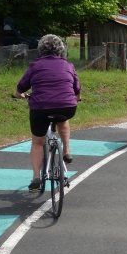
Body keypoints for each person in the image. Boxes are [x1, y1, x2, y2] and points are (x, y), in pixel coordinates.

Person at [13, 34, 81, 191]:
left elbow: (21, 87)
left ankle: (36, 178)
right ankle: (67, 150)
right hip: (67, 107)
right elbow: (77, 90)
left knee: (38, 141)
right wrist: (76, 98)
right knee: (63, 119)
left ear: (40, 50)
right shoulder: (68, 65)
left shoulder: (35, 65)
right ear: (61, 50)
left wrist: (18, 95)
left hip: (40, 108)